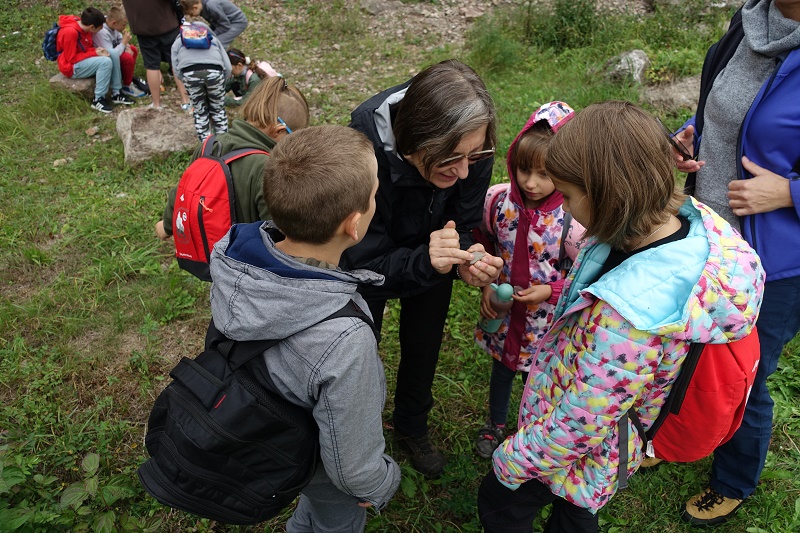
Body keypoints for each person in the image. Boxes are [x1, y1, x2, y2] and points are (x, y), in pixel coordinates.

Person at [478, 101, 765, 533]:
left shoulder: (630, 318)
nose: (569, 211)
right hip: (610, 437)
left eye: (570, 196)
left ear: (607, 196)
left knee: (514, 505)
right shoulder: (695, 222)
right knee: (575, 512)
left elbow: (582, 421)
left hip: (575, 447)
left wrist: (513, 459)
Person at [207, 125, 400, 533]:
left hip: (271, 436)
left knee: (311, 510)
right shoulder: (346, 340)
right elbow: (350, 467)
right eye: (375, 194)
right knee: (337, 521)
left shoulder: (232, 258)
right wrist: (383, 482)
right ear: (354, 224)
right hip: (319, 468)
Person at [665, 0, 800, 525]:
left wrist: (789, 193)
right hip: (708, 233)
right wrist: (692, 131)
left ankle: (734, 478)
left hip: (776, 260)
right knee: (686, 346)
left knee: (741, 372)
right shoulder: (750, 20)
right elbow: (727, 105)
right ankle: (674, 434)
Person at [342, 59, 504, 479]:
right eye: (451, 159)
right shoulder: (364, 144)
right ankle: (357, 437)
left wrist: (467, 257)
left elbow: (464, 223)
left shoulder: (473, 141)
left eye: (475, 157)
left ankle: (411, 425)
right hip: (373, 252)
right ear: (413, 143)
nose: (466, 171)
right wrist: (428, 258)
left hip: (434, 246)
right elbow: (363, 260)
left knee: (424, 340)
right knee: (358, 349)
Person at [471, 101, 581, 460]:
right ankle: (496, 423)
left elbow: (588, 277)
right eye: (523, 170)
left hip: (546, 323)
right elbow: (483, 240)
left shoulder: (573, 220)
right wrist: (487, 282)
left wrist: (552, 290)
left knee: (540, 378)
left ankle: (532, 430)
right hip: (504, 315)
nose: (531, 183)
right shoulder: (498, 202)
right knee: (502, 369)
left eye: (545, 175)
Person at [155, 75, 309, 240]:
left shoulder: (208, 146)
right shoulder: (268, 167)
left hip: (203, 254)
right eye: (294, 137)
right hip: (240, 262)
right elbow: (277, 234)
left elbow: (183, 192)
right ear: (278, 130)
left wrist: (165, 226)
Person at [55, 7, 134, 113]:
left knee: (112, 52)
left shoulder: (85, 26)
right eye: (100, 28)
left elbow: (85, 48)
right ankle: (98, 99)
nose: (101, 30)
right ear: (92, 27)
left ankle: (116, 93)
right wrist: (94, 53)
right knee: (105, 62)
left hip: (83, 59)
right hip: (71, 67)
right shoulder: (71, 32)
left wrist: (98, 50)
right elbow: (71, 59)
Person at [121, 0, 190, 110]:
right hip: (166, 23)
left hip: (142, 28)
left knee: (151, 65)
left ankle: (156, 104)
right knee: (176, 62)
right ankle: (186, 101)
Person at [171, 20, 231, 141]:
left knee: (200, 111)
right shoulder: (213, 40)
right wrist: (221, 83)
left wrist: (187, 82)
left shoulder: (178, 42)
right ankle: (223, 145)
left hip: (190, 72)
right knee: (218, 109)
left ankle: (206, 147)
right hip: (215, 71)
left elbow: (176, 69)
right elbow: (228, 67)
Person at [92, 6, 146, 98]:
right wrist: (124, 43)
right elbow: (112, 54)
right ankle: (127, 86)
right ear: (114, 23)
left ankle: (126, 77)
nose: (125, 27)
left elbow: (119, 39)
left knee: (133, 49)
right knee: (127, 58)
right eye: (124, 25)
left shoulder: (113, 28)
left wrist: (127, 46)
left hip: (114, 51)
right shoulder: (102, 32)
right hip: (103, 56)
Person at [181, 0, 248, 49]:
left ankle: (221, 64)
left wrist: (211, 35)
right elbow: (215, 23)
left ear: (195, 7)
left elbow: (225, 26)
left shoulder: (211, 6)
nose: (191, 17)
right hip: (226, 23)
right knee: (211, 40)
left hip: (237, 22)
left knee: (218, 43)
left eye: (191, 14)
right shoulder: (202, 8)